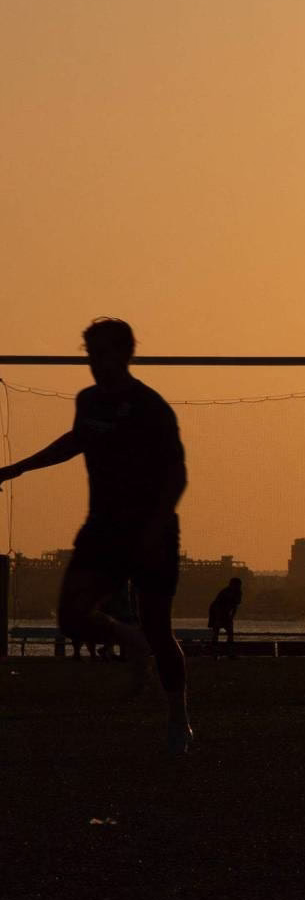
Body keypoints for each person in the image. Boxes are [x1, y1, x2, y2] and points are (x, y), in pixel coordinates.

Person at [0, 318, 192, 751]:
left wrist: (155, 525)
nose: (95, 363)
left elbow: (177, 473)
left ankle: (178, 717)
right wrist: (17, 468)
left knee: (160, 629)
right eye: (90, 354)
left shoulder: (150, 406)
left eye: (102, 353)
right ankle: (131, 640)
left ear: (126, 354)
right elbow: (73, 442)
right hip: (103, 529)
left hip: (151, 531)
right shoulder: (88, 401)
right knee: (70, 617)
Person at [206, 576, 243, 658]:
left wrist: (231, 617)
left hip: (224, 613)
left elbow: (235, 607)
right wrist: (218, 618)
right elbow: (217, 606)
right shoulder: (225, 592)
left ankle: (229, 653)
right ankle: (215, 653)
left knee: (229, 633)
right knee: (216, 632)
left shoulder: (238, 593)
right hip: (216, 612)